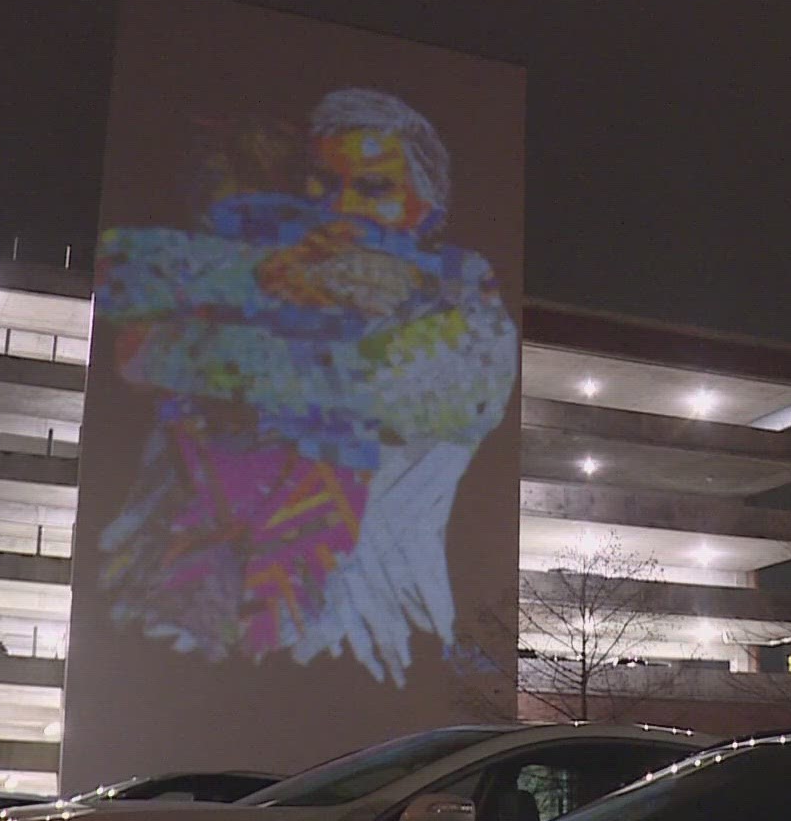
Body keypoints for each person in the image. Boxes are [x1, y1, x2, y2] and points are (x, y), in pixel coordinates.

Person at [96, 89, 516, 685]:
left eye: (373, 189)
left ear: (426, 209)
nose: (339, 208)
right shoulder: (278, 272)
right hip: (183, 620)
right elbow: (120, 288)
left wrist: (211, 325)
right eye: (321, 182)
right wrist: (260, 276)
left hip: (355, 640)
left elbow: (345, 383)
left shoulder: (475, 319)